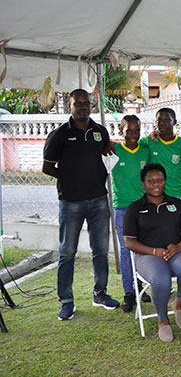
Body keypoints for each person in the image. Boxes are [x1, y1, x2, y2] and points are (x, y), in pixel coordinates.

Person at [42, 89, 120, 320]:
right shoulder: (59, 135)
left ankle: (100, 293)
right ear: (70, 105)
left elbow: (107, 154)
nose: (83, 107)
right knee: (67, 253)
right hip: (70, 203)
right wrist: (69, 178)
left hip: (98, 200)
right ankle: (66, 301)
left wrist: (110, 146)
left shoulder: (99, 131)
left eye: (87, 103)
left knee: (100, 252)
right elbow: (47, 167)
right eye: (79, 103)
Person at [123, 164, 181, 342]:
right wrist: (154, 251)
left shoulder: (176, 204)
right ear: (143, 184)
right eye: (151, 181)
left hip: (174, 252)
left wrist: (178, 247)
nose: (156, 184)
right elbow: (128, 241)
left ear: (165, 182)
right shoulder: (134, 208)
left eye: (160, 180)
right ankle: (163, 319)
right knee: (161, 279)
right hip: (148, 255)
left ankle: (179, 302)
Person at [112, 115, 150, 312]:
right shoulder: (113, 151)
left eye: (137, 131)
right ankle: (129, 292)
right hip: (122, 208)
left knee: (143, 248)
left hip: (143, 207)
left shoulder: (145, 151)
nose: (133, 135)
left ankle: (141, 287)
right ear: (121, 131)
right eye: (129, 131)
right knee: (126, 251)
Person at [139, 108, 181, 211]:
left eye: (167, 120)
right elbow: (133, 147)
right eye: (159, 120)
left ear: (174, 122)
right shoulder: (149, 141)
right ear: (155, 122)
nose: (163, 123)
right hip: (160, 197)